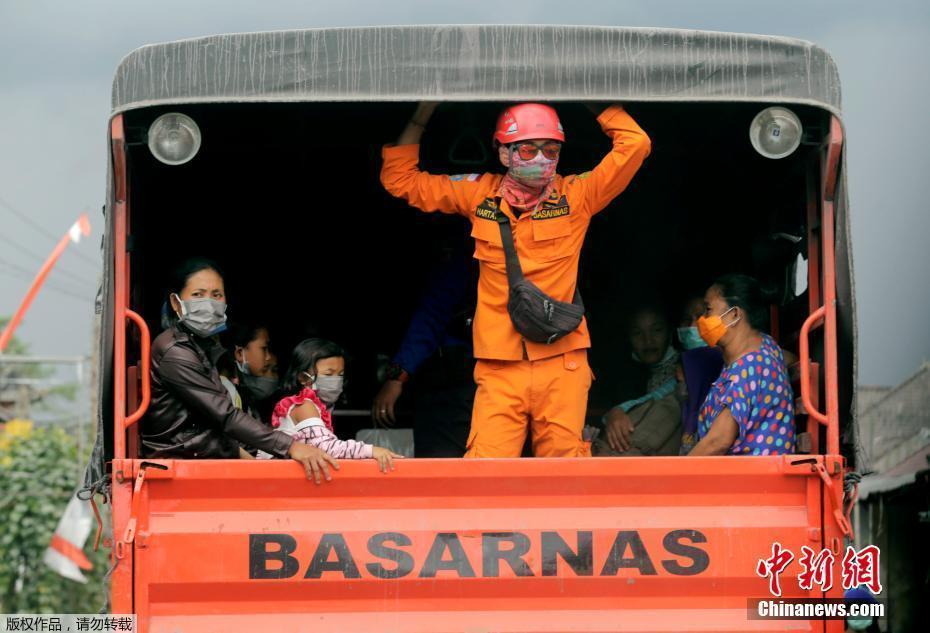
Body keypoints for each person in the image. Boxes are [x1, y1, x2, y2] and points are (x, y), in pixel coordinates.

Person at [381, 101, 650, 458]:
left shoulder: (578, 195)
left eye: (551, 149)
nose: (541, 158)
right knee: (486, 476)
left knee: (564, 475)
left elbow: (636, 144)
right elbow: (399, 180)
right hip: (499, 366)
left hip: (562, 362)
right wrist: (425, 109)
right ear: (505, 154)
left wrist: (592, 97)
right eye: (528, 148)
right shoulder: (479, 194)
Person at [143, 257, 338, 483]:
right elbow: (225, 416)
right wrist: (291, 447)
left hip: (200, 450)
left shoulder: (198, 345)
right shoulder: (175, 352)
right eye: (198, 295)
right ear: (176, 304)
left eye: (216, 295)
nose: (209, 303)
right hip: (182, 458)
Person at [372, 243, 476, 457]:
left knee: (444, 468)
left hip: (453, 380)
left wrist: (397, 377)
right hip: (478, 375)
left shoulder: (464, 250)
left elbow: (432, 314)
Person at [689, 274, 795, 456]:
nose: (700, 321)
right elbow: (791, 359)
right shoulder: (766, 345)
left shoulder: (746, 370)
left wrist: (676, 475)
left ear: (734, 314)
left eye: (708, 310)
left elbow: (718, 441)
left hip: (746, 480)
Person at [265, 338, 403, 472]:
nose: (336, 380)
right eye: (329, 374)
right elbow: (327, 448)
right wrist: (372, 450)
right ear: (304, 378)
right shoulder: (303, 405)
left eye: (340, 375)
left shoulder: (318, 406)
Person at [596, 305, 682, 456]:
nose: (648, 340)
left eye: (656, 330)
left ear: (669, 333)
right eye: (637, 333)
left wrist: (618, 410)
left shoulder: (684, 367)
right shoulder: (620, 374)